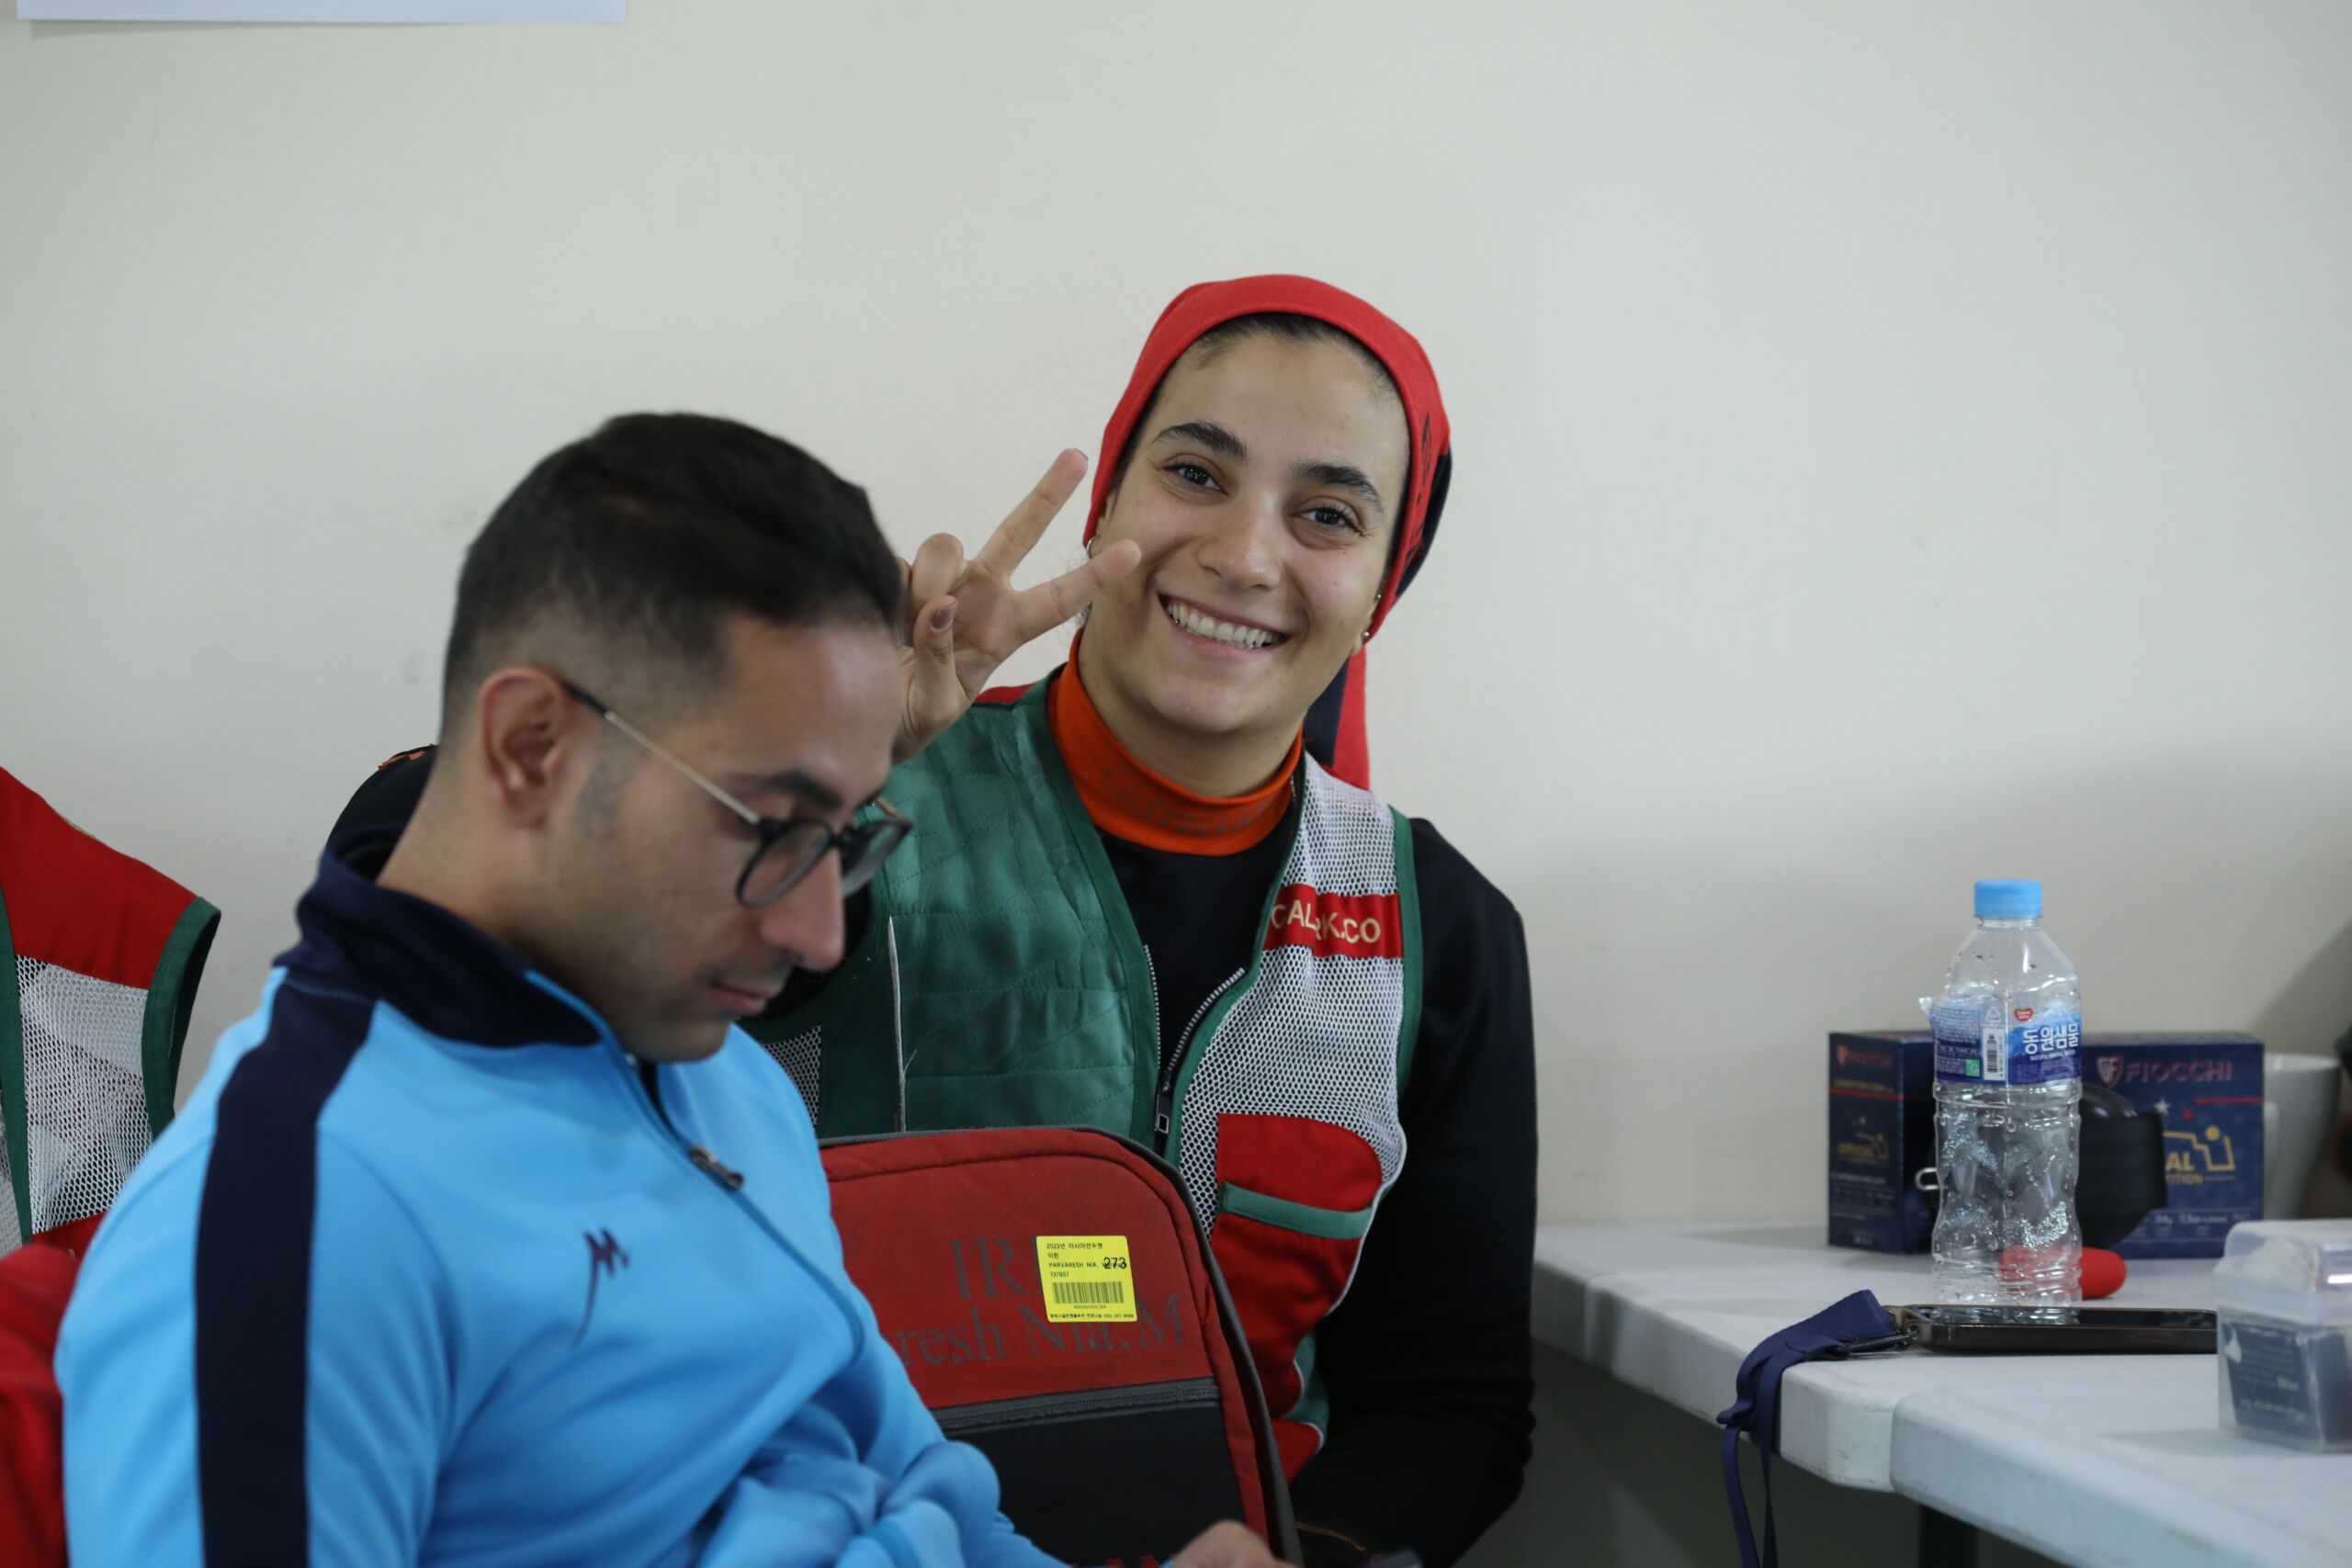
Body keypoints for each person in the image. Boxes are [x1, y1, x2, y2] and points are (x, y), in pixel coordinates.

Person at [333, 276, 1536, 1567]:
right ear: (1108, 503)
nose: (1245, 555)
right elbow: (393, 885)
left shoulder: (1439, 930)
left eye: (1327, 514)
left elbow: (1445, 1402)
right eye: (1196, 474)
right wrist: (827, 744)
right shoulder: (846, 803)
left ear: (1383, 586)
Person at [56, 413, 1271, 1568]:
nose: (818, 933)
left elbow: (922, 1500)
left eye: (846, 835)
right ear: (530, 746)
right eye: (773, 826)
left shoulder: (717, 1072)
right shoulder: (292, 1226)